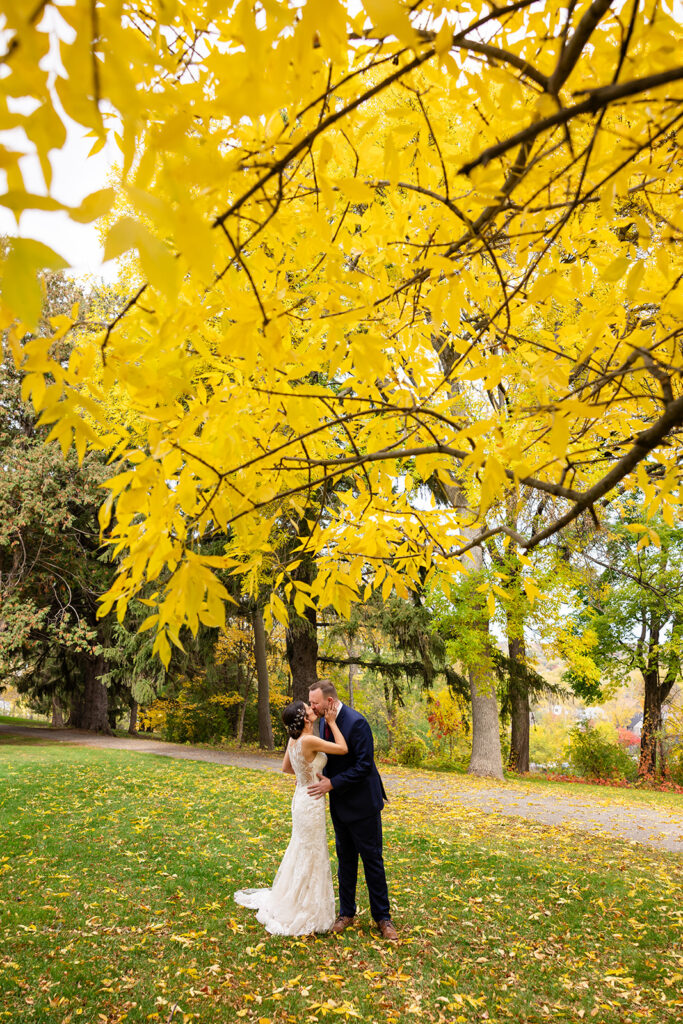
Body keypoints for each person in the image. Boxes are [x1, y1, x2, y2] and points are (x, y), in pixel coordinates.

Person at [233, 699, 348, 935]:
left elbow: (287, 768)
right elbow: (343, 748)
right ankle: (305, 907)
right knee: (312, 851)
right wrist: (333, 723)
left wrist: (305, 774)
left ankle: (296, 898)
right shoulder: (309, 740)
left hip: (301, 798)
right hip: (311, 802)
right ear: (305, 718)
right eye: (308, 709)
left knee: (302, 848)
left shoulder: (294, 740)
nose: (311, 709)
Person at [307, 679, 398, 941]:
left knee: (372, 861)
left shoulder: (357, 723)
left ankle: (383, 918)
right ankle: (346, 913)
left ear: (330, 701)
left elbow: (364, 766)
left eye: (316, 702)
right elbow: (328, 759)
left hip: (363, 804)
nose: (312, 706)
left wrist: (332, 784)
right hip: (339, 804)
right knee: (345, 861)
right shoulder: (324, 722)